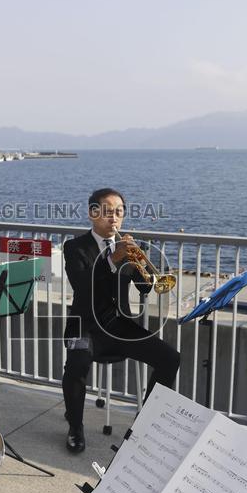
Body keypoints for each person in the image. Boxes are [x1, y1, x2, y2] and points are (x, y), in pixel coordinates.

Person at [61, 188, 181, 453]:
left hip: (119, 327)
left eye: (119, 212)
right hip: (85, 326)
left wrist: (146, 272)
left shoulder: (127, 247)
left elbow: (145, 288)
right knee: (77, 363)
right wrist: (112, 261)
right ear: (93, 214)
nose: (113, 218)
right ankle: (75, 427)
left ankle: (145, 425)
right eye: (107, 212)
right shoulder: (75, 247)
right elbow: (83, 287)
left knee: (171, 358)